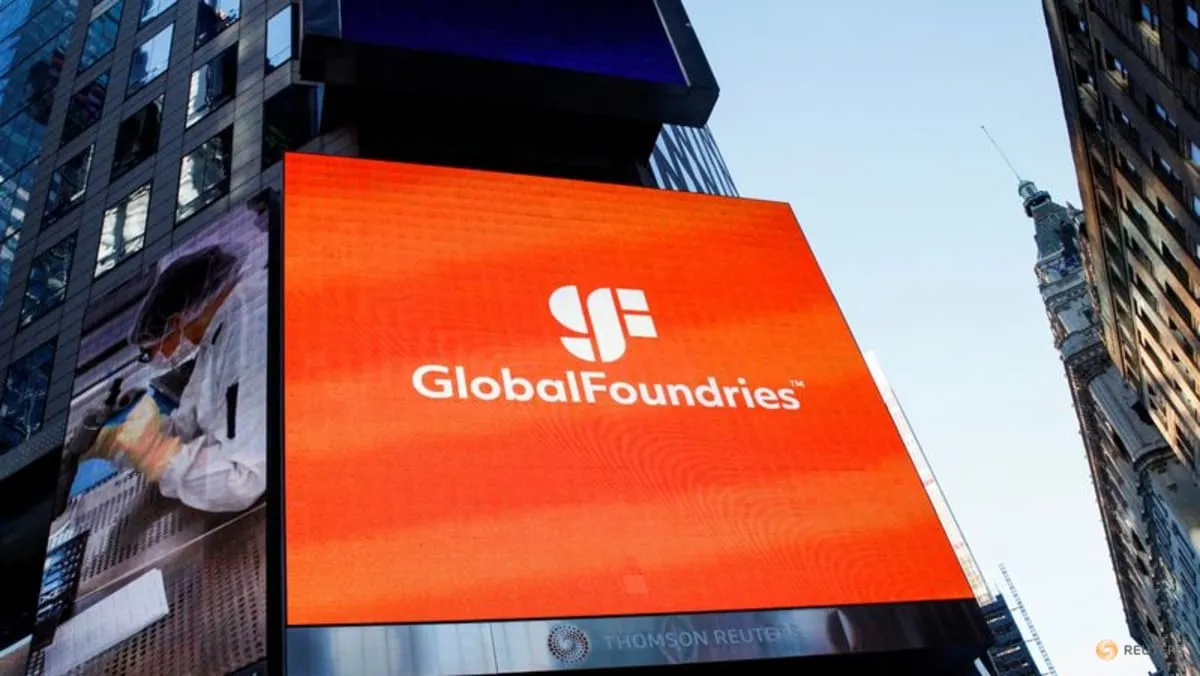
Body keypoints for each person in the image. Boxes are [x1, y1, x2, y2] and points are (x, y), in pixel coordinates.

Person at [89, 242, 268, 513]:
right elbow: (189, 424)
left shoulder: (248, 328)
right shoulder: (218, 335)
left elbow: (240, 480)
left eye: (151, 350)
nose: (158, 358)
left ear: (175, 323)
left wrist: (158, 455)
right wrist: (119, 442)